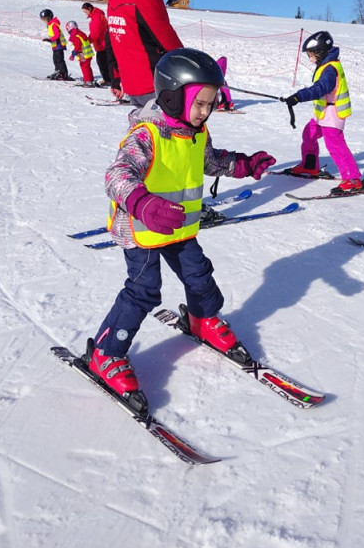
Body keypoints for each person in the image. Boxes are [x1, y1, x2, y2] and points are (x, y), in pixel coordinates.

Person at [83, 48, 276, 415]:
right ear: (171, 97)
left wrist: (246, 165)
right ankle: (106, 354)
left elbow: (212, 161)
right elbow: (117, 176)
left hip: (180, 228)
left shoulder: (196, 133)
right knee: (143, 291)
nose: (206, 111)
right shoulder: (147, 135)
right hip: (141, 228)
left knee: (199, 274)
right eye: (200, 103)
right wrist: (143, 203)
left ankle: (203, 319)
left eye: (210, 103)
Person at [104, 0, 183, 108]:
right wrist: (190, 67)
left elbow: (112, 39)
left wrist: (116, 76)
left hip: (134, 88)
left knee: (150, 132)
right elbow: (167, 40)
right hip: (155, 85)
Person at [282, 30, 363, 191]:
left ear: (321, 52)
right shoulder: (325, 65)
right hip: (322, 113)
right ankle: (309, 165)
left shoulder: (330, 69)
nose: (310, 59)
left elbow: (321, 88)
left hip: (333, 114)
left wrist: (299, 96)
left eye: (311, 55)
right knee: (309, 134)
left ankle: (352, 178)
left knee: (335, 145)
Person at [81, 2, 111, 85]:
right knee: (104, 61)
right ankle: (109, 79)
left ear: (89, 9)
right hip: (101, 43)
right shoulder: (96, 15)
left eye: (85, 11)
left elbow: (95, 33)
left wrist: (87, 41)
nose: (85, 14)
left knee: (102, 62)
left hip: (102, 43)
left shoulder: (96, 16)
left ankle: (108, 80)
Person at [40, 9, 69, 80]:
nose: (44, 21)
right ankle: (57, 71)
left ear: (48, 17)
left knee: (59, 59)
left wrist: (50, 39)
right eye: (42, 19)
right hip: (55, 45)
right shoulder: (50, 24)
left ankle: (63, 73)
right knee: (55, 59)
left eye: (44, 19)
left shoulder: (53, 24)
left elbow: (57, 34)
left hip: (59, 44)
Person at [65, 20, 95, 86]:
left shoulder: (77, 36)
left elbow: (78, 46)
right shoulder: (80, 33)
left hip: (83, 54)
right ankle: (89, 79)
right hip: (86, 54)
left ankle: (88, 80)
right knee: (87, 67)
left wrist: (73, 54)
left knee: (84, 67)